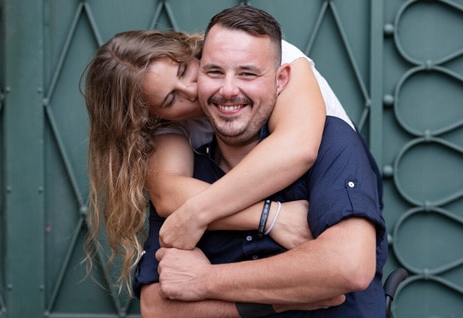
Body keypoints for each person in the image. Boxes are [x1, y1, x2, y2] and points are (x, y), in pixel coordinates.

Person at [134, 5, 388, 317]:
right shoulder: (186, 162)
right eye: (214, 72)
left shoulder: (330, 138)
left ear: (280, 79)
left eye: (248, 73)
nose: (225, 89)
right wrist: (276, 298)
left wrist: (205, 280)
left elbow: (348, 266)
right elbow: (157, 305)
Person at [83, 11, 353, 296]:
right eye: (171, 99)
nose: (192, 89)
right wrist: (270, 216)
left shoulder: (263, 55)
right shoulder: (170, 126)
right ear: (151, 118)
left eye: (185, 70)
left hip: (336, 200)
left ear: (186, 50)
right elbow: (169, 194)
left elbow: (297, 148)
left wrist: (198, 212)